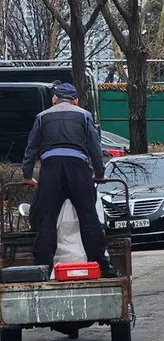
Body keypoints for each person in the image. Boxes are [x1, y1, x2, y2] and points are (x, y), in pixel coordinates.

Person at [21, 83, 117, 277]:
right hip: (77, 168)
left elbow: (32, 148)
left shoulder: (42, 117)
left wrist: (27, 176)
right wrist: (99, 173)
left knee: (47, 220)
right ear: (76, 101)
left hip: (51, 169)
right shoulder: (84, 115)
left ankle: (42, 268)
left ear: (54, 100)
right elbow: (94, 148)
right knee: (88, 218)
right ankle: (101, 265)